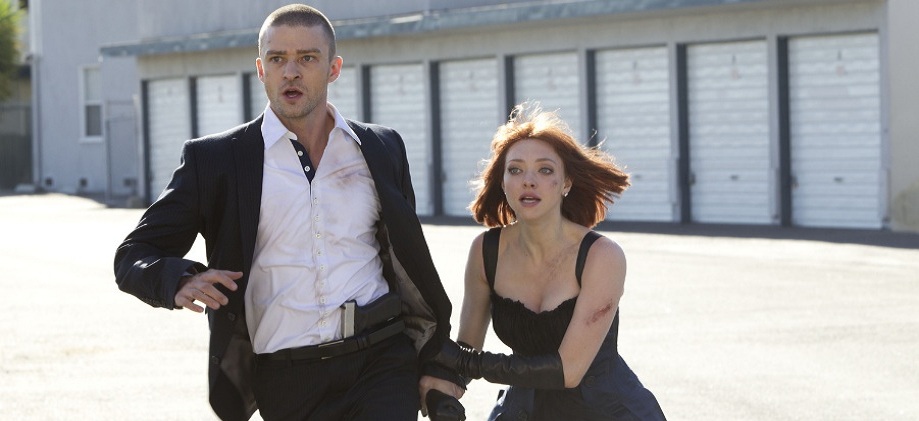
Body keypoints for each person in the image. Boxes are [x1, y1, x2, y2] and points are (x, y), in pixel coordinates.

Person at [114, 4, 463, 420]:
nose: (291, 72)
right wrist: (180, 279)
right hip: (287, 376)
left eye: (307, 58)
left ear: (333, 69)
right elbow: (133, 255)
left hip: (381, 361)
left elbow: (406, 262)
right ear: (261, 69)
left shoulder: (382, 147)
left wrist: (432, 357)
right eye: (277, 59)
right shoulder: (216, 160)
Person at [428, 102, 667, 420]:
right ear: (503, 182)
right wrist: (441, 386)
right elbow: (466, 348)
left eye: (545, 170)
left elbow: (569, 371)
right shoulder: (485, 251)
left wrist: (465, 362)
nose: (528, 180)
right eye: (515, 170)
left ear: (566, 183)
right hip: (523, 410)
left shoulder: (602, 255)